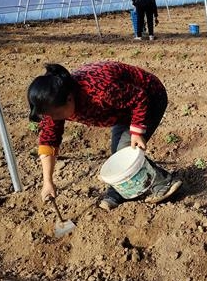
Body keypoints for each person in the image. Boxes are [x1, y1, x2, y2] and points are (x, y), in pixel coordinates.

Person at [27, 61, 182, 210]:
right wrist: (47, 181)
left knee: (124, 150)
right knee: (118, 152)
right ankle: (121, 191)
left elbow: (138, 97)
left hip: (150, 96)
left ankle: (163, 182)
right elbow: (49, 141)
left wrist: (136, 131)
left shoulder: (100, 91)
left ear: (69, 98)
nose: (53, 118)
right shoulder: (54, 105)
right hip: (121, 109)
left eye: (56, 114)